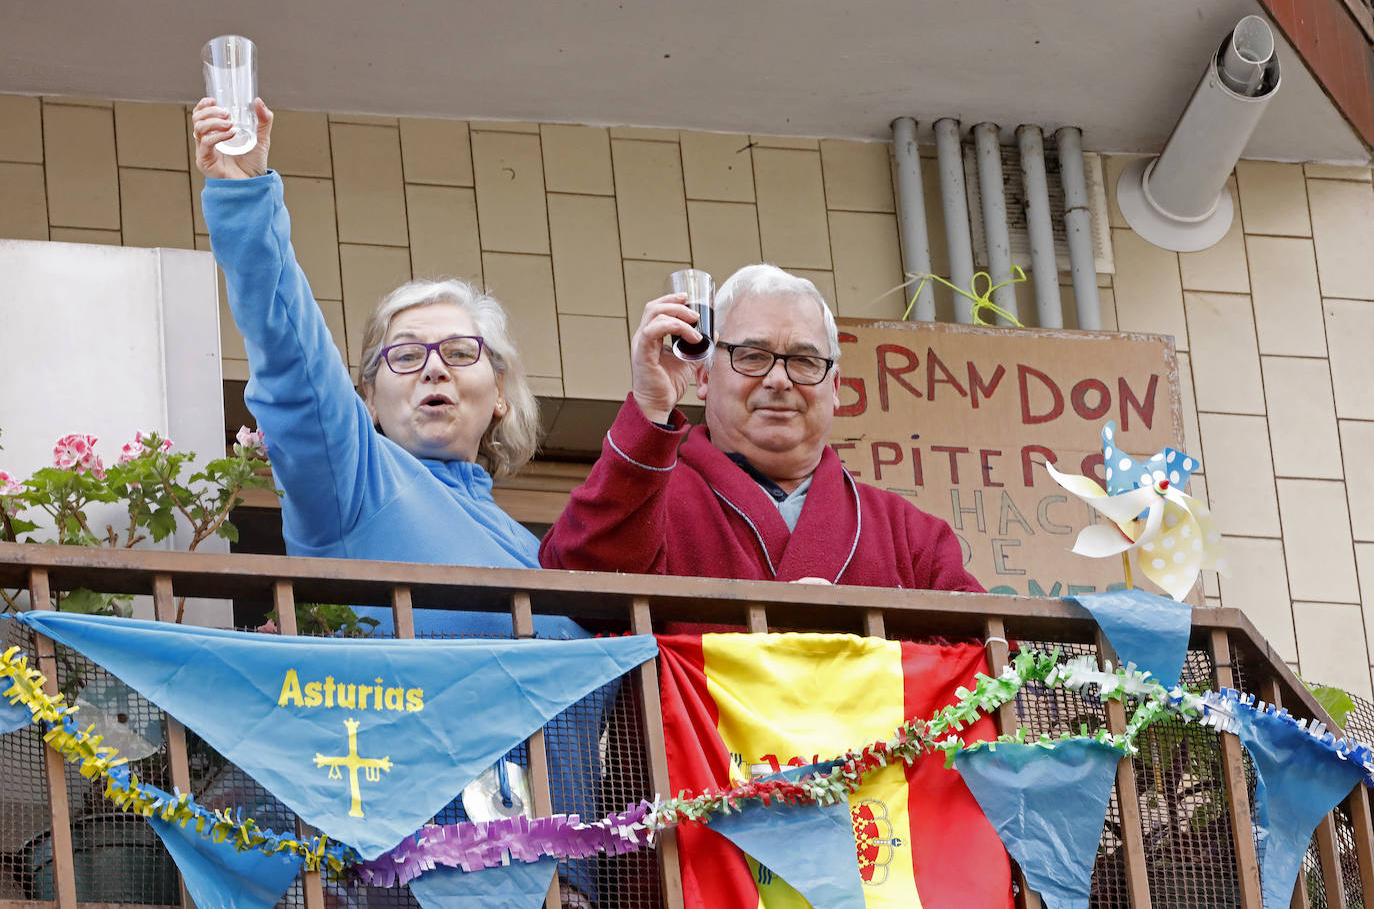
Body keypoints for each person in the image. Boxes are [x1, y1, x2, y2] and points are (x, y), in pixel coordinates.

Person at [194, 99, 602, 901]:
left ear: (499, 394)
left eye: (460, 352)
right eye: (404, 356)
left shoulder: (543, 554)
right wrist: (245, 200)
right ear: (368, 400)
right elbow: (291, 361)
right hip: (397, 878)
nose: (434, 368)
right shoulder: (358, 485)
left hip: (547, 884)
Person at [540, 263, 984, 592]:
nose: (779, 380)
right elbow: (578, 584)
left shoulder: (910, 536)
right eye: (752, 356)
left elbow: (993, 663)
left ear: (834, 388)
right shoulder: (646, 502)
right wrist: (650, 406)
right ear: (704, 376)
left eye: (804, 361)